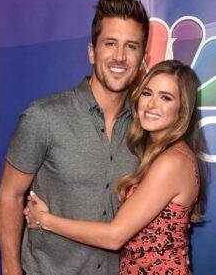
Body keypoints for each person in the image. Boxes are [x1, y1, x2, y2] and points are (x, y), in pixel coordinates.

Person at [0, 0, 150, 275]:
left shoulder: (146, 130)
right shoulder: (43, 116)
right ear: (92, 51)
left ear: (142, 58)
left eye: (131, 46)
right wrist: (10, 269)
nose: (119, 56)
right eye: (110, 44)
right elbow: (10, 195)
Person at [24, 59, 205, 274]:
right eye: (147, 93)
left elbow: (114, 237)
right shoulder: (161, 153)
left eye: (165, 97)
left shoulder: (171, 161)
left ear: (182, 111)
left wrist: (44, 219)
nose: (152, 104)